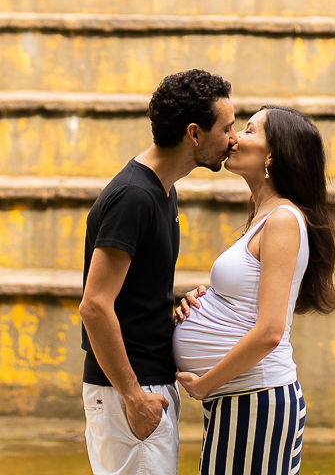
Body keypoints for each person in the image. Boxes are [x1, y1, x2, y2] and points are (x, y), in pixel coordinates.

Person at [79, 69, 238, 475]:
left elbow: (133, 290)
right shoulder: (134, 197)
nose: (233, 139)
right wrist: (133, 396)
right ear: (194, 134)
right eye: (227, 128)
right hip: (131, 388)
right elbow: (95, 306)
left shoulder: (161, 191)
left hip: (147, 383)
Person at [173, 105, 335, 475]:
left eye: (249, 131)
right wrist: (206, 302)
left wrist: (204, 385)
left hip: (255, 399)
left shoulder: (282, 220)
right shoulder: (265, 215)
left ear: (273, 155)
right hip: (240, 399)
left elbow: (269, 331)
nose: (234, 138)